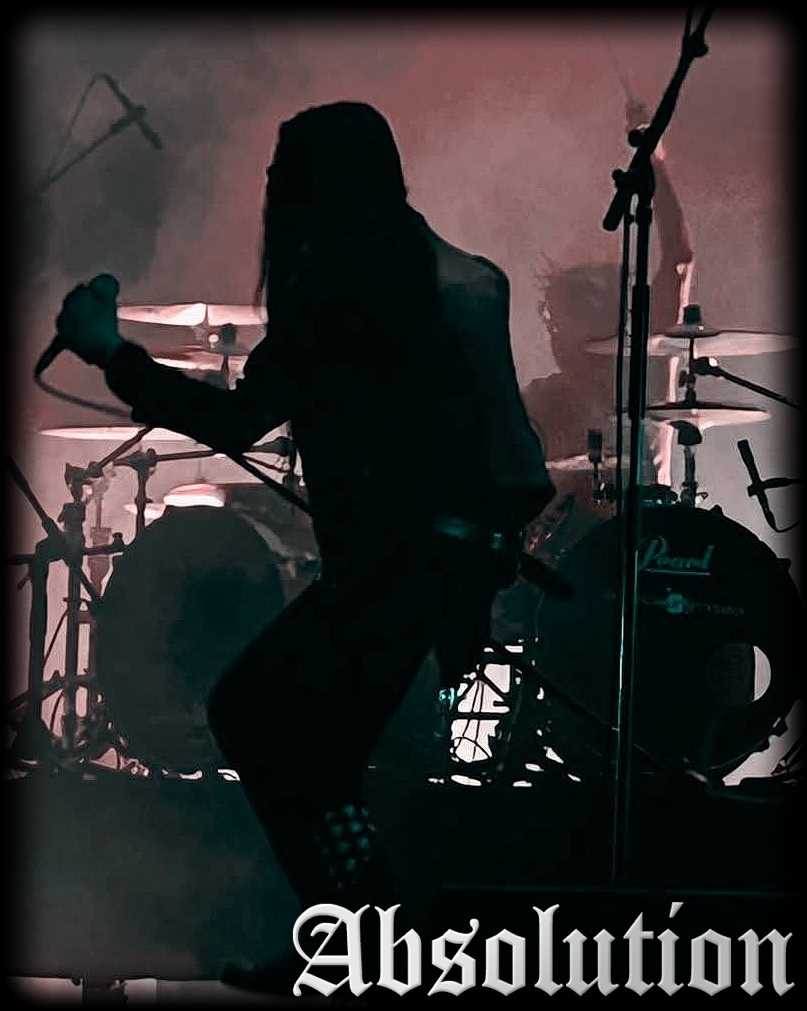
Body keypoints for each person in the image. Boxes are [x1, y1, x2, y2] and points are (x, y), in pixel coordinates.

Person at [51, 100, 555, 999]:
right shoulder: (449, 272)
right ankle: (367, 938)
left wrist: (110, 353)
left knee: (253, 714)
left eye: (282, 176)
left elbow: (238, 419)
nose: (272, 193)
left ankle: (367, 938)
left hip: (397, 566)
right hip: (443, 562)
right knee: (317, 757)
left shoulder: (338, 281)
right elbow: (503, 452)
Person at [519, 98, 695, 558]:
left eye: (566, 322)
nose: (556, 337)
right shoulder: (541, 398)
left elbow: (679, 262)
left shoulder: (648, 369)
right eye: (553, 324)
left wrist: (655, 162)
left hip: (646, 551)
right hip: (565, 567)